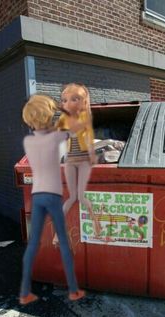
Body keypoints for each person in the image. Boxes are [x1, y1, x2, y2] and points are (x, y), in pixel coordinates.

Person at [19, 94, 85, 305]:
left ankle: (25, 291)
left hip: (37, 195)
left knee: (33, 243)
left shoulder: (30, 141)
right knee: (64, 242)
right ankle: (73, 289)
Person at [52, 83, 101, 246]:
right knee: (73, 197)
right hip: (70, 161)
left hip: (83, 161)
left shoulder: (84, 117)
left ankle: (96, 223)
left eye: (74, 99)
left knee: (80, 197)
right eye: (65, 100)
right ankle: (58, 234)